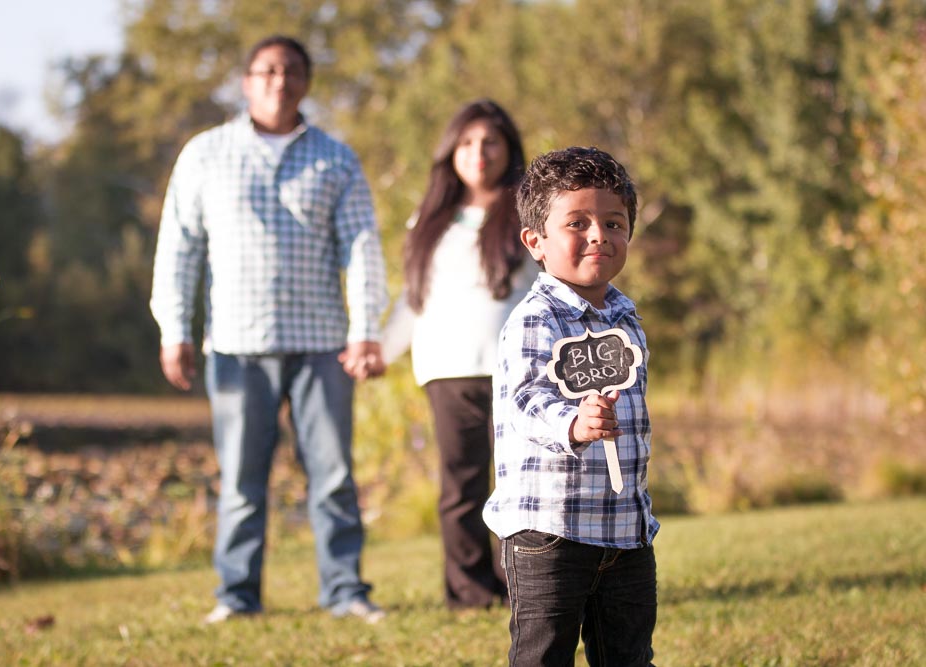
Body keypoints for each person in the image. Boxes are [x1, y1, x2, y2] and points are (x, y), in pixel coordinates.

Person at [150, 35, 388, 625]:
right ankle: (236, 596)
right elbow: (178, 247)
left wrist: (364, 328)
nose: (279, 81)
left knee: (332, 476)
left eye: (291, 71)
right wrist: (174, 328)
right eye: (267, 71)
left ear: (306, 83)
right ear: (247, 81)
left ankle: (345, 591)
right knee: (240, 480)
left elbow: (361, 248)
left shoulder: (336, 157)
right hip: (235, 344)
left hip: (322, 344)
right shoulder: (205, 154)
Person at [483, 146, 659, 665]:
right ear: (536, 242)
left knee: (628, 655)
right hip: (550, 530)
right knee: (544, 656)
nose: (599, 235)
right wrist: (573, 422)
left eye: (614, 222)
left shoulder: (626, 317)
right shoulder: (535, 319)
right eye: (577, 223)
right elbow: (525, 400)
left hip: (624, 529)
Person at [381, 99, 537, 609]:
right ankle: (469, 592)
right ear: (451, 152)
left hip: (518, 372)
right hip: (447, 370)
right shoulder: (427, 222)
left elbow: (549, 292)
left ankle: (524, 585)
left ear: (508, 150)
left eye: (490, 142)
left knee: (522, 486)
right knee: (461, 488)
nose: (478, 152)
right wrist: (379, 352)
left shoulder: (529, 215)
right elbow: (413, 300)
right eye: (467, 142)